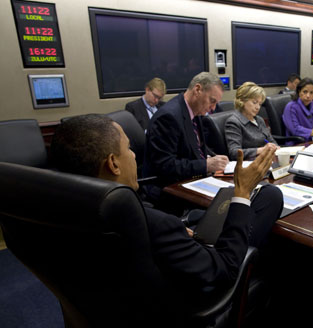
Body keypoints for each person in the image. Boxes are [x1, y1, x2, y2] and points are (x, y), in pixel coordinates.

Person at [50, 113, 283, 293]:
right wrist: (242, 193)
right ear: (113, 164)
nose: (133, 155)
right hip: (194, 292)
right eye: (129, 148)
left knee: (213, 214)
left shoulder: (65, 209)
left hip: (123, 293)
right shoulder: (157, 226)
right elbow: (225, 269)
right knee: (270, 196)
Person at [143, 72, 229, 201]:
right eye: (212, 101)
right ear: (197, 90)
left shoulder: (194, 112)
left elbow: (195, 148)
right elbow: (166, 166)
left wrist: (213, 159)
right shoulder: (168, 117)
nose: (213, 108)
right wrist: (206, 165)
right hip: (168, 189)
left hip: (192, 181)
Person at [225, 82, 278, 161]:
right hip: (249, 165)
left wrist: (275, 147)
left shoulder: (259, 119)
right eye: (254, 102)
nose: (257, 107)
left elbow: (271, 141)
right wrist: (261, 150)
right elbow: (234, 153)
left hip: (266, 160)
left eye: (260, 104)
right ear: (242, 101)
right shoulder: (233, 122)